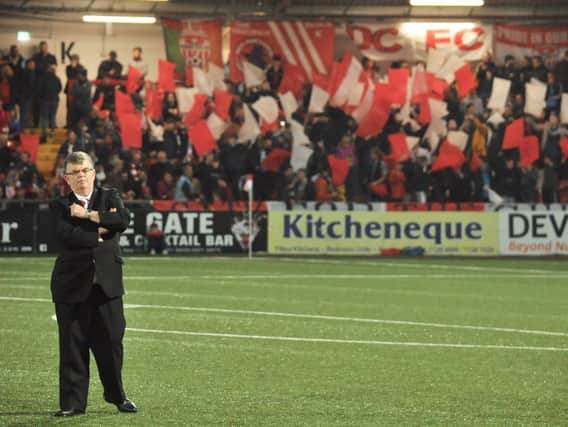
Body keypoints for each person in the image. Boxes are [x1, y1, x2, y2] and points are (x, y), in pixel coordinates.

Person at [49, 151, 137, 417]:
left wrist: (86, 216)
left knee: (112, 342)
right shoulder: (58, 204)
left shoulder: (109, 196)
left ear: (94, 172)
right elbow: (66, 237)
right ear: (67, 178)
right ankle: (73, 404)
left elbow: (122, 220)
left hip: (107, 285)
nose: (81, 177)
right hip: (71, 285)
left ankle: (116, 395)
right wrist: (101, 228)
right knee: (72, 347)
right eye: (75, 173)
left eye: (85, 170)